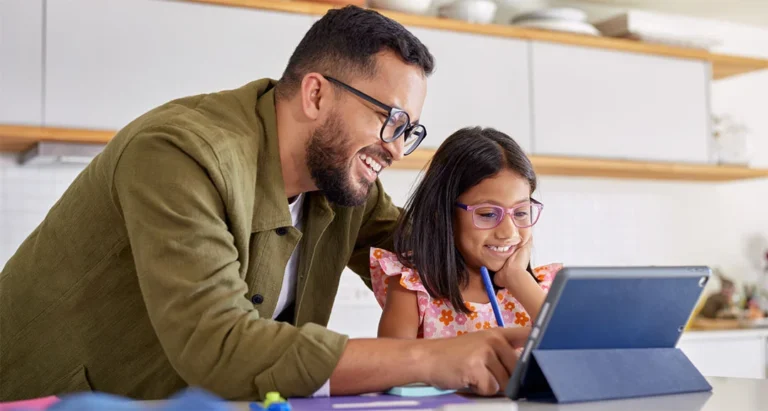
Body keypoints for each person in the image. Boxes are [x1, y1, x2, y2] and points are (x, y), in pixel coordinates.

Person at [0, 5, 529, 403]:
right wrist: (429, 358)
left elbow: (439, 254)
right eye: (389, 120)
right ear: (316, 94)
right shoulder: (180, 154)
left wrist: (507, 246)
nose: (395, 148)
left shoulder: (344, 184)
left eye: (408, 131)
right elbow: (220, 346)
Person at [371, 127, 562, 338]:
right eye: (488, 214)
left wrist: (517, 278)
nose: (509, 232)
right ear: (443, 214)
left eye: (521, 212)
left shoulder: (543, 290)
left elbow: (573, 349)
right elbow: (392, 358)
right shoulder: (413, 287)